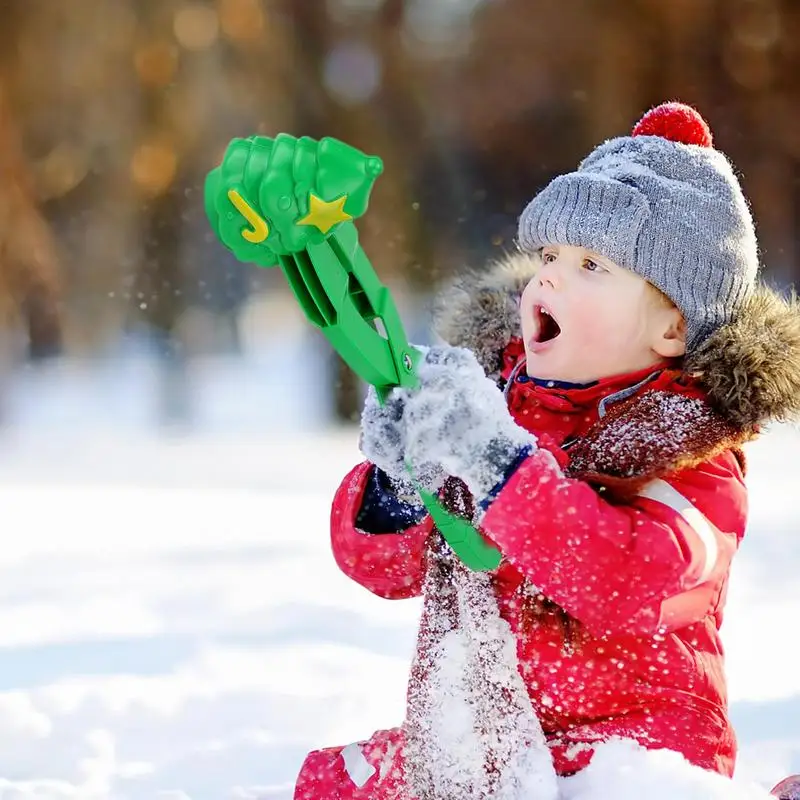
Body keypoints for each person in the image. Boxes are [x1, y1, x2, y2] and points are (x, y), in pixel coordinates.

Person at [293, 102, 800, 799]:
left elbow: (623, 578)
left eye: (592, 264)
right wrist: (402, 478)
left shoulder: (697, 463)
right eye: (550, 257)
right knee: (337, 785)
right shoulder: (494, 408)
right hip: (485, 742)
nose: (548, 279)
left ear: (673, 328)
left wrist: (499, 466)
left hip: (630, 753)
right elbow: (384, 567)